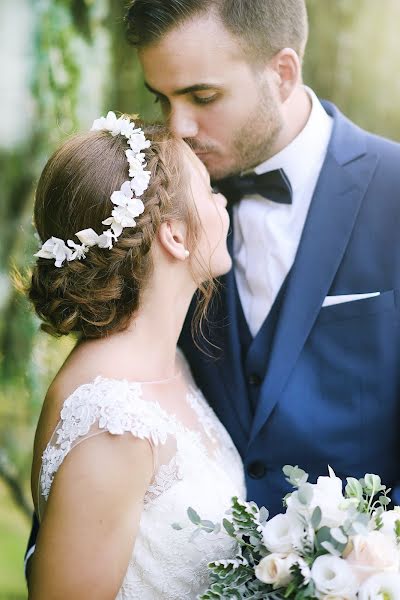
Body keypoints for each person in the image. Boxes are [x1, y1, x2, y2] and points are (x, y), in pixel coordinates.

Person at [123, 0, 400, 516]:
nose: (177, 128)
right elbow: (114, 388)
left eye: (202, 96)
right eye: (161, 99)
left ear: (283, 72)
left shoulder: (395, 189)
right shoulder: (159, 205)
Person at [25, 113, 245, 598]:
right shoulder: (111, 423)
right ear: (174, 235)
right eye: (208, 190)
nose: (222, 201)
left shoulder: (170, 365)